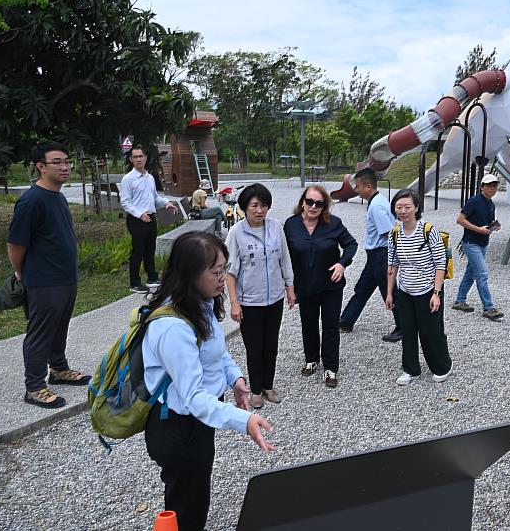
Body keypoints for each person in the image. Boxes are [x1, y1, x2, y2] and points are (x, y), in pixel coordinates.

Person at [143, 231, 275, 531]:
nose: (223, 278)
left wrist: (235, 379)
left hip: (199, 419)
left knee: (195, 492)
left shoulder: (200, 302)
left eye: (224, 269)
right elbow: (192, 397)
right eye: (216, 272)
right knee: (186, 504)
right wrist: (243, 420)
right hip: (178, 425)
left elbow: (216, 352)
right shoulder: (172, 327)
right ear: (189, 274)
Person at [7, 141, 91, 408]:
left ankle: (58, 368)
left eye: (67, 161)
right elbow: (16, 244)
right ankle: (34, 386)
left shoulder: (58, 196)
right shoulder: (31, 201)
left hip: (65, 277)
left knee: (60, 326)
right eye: (57, 162)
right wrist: (21, 271)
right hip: (43, 280)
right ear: (41, 167)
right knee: (40, 332)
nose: (65, 167)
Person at [225, 183, 296, 409]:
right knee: (254, 347)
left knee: (271, 345)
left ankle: (268, 386)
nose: (259, 211)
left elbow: (285, 259)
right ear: (245, 207)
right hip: (249, 302)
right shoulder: (236, 232)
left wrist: (290, 287)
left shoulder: (276, 227)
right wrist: (234, 302)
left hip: (274, 298)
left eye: (264, 205)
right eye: (255, 205)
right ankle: (255, 390)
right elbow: (230, 270)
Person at [284, 185, 358, 388]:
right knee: (308, 323)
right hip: (305, 285)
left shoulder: (333, 223)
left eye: (319, 203)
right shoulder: (291, 225)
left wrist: (342, 263)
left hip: (330, 285)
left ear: (324, 206)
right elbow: (285, 255)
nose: (313, 206)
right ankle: (312, 359)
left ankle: (331, 367)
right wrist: (288, 285)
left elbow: (351, 245)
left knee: (330, 325)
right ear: (302, 202)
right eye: (310, 202)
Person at [385, 189, 452, 386]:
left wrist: (436, 293)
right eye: (399, 207)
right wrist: (390, 292)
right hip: (405, 290)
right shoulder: (394, 234)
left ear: (416, 208)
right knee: (408, 330)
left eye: (407, 207)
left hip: (428, 290)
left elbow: (440, 262)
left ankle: (442, 365)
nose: (403, 211)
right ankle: (410, 369)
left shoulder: (428, 230)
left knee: (431, 330)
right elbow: (392, 264)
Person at [339, 168, 402, 342]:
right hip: (375, 255)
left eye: (358, 187)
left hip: (380, 254)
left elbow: (388, 231)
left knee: (389, 291)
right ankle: (346, 320)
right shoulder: (378, 201)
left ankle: (403, 326)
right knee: (363, 288)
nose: (356, 190)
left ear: (368, 186)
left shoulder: (376, 206)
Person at [120, 145, 179, 293]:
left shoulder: (150, 177)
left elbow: (154, 198)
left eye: (141, 156)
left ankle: (152, 277)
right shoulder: (128, 179)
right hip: (137, 220)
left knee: (150, 249)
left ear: (145, 158)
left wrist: (167, 203)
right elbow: (125, 202)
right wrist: (140, 214)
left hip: (151, 218)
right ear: (131, 160)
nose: (139, 159)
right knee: (138, 251)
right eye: (135, 157)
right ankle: (134, 283)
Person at [452, 173, 505, 321]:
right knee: (482, 273)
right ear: (482, 187)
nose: (492, 188)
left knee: (471, 273)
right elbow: (460, 220)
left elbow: (487, 221)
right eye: (489, 186)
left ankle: (460, 301)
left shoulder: (491, 204)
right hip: (471, 242)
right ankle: (488, 308)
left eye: (494, 186)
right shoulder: (474, 201)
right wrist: (479, 229)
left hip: (483, 243)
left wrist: (494, 225)